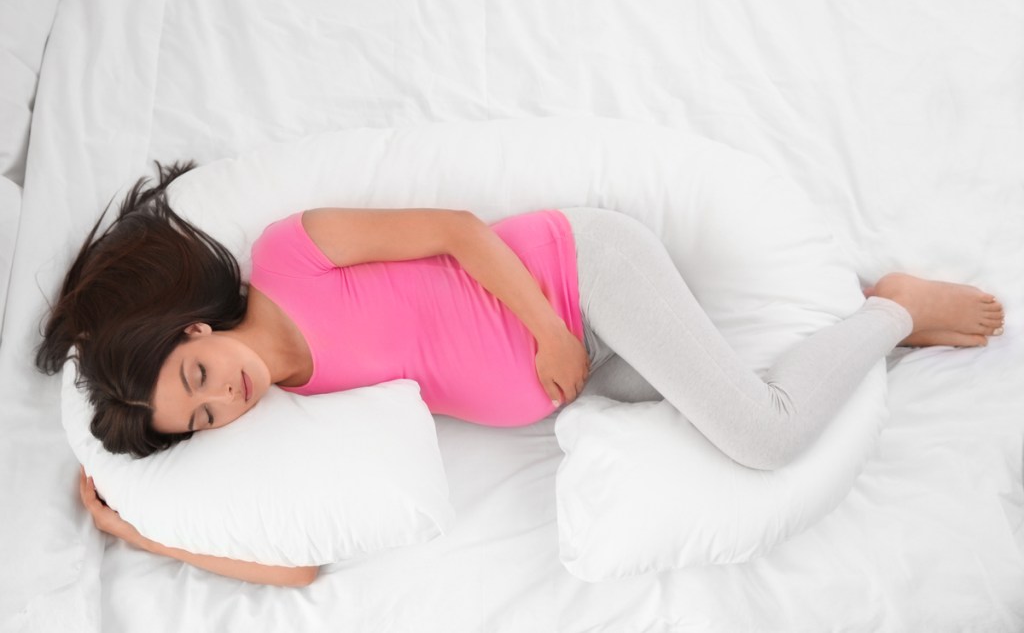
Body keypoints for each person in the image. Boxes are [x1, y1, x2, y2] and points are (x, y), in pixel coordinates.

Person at [39, 160, 1005, 588]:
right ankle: (856, 330)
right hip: (590, 374)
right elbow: (297, 565)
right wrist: (151, 539)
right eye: (203, 418)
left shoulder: (292, 255)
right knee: (721, 416)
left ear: (195, 326)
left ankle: (895, 308)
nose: (224, 397)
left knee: (762, 436)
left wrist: (545, 329)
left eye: (199, 372)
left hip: (580, 278)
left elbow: (459, 229)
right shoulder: (300, 407)